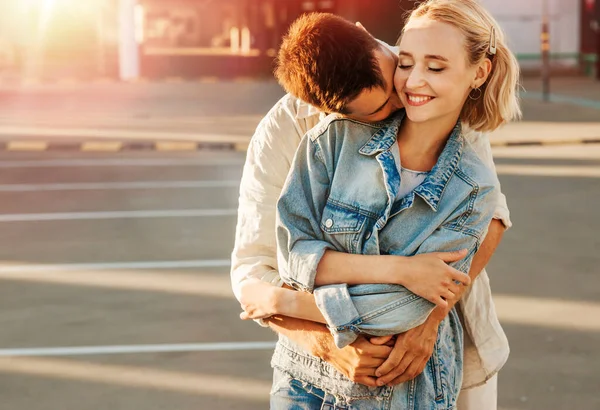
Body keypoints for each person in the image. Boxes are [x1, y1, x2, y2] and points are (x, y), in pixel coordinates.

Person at [231, 2, 518, 409]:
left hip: (428, 361)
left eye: (395, 68)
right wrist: (328, 342)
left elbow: (491, 219)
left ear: (368, 33)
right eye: (379, 111)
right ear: (330, 113)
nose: (404, 101)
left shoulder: (434, 83)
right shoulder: (305, 133)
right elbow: (258, 265)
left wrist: (428, 320)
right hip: (314, 369)